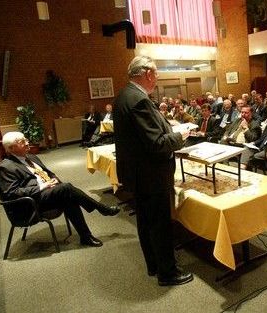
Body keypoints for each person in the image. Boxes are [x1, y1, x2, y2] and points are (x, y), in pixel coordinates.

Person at [113, 55, 193, 286]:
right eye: (156, 74)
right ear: (147, 73)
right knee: (159, 224)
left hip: (138, 174)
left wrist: (169, 128)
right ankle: (168, 273)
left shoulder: (124, 96)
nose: (156, 79)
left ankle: (153, 265)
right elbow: (157, 144)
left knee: (145, 222)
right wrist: (181, 135)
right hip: (151, 175)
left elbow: (143, 135)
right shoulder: (140, 100)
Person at [0, 132, 120, 247]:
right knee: (66, 189)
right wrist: (43, 186)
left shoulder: (31, 157)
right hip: (30, 203)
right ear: (11, 149)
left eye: (25, 139)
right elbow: (11, 193)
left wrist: (54, 181)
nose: (27, 142)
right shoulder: (5, 168)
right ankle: (101, 209)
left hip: (48, 194)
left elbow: (49, 173)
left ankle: (86, 237)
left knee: (68, 197)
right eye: (22, 142)